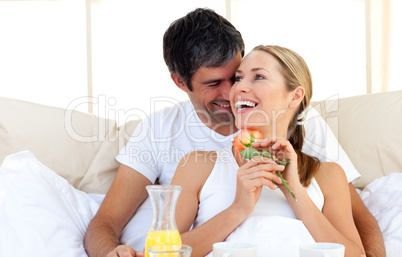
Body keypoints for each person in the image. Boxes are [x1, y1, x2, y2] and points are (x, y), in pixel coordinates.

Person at [84, 8, 385, 257]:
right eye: (216, 83)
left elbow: (357, 223)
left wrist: (292, 189)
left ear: (294, 97)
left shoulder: (310, 136)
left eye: (240, 74)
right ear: (180, 82)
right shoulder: (182, 150)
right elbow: (121, 229)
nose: (233, 91)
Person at [171, 45, 365, 257]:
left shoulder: (328, 175)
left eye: (259, 77)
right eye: (238, 78)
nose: (238, 89)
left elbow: (356, 255)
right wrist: (238, 209)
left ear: (295, 96)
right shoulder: (197, 165)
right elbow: (161, 252)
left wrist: (295, 192)